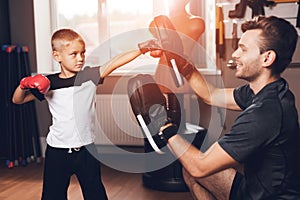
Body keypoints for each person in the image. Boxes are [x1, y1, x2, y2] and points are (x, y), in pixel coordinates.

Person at [142, 15, 300, 199]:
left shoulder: (264, 114)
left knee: (195, 167)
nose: (235, 54)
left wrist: (163, 126)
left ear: (267, 58)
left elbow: (200, 166)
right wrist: (184, 66)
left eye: (243, 49)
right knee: (189, 170)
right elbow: (212, 95)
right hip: (255, 188)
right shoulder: (267, 90)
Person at [12, 28, 144, 200]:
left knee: (96, 194)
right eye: (73, 54)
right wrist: (23, 84)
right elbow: (18, 100)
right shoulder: (48, 82)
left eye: (82, 53)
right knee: (53, 196)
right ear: (57, 56)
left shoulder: (89, 75)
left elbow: (114, 62)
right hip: (57, 152)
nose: (80, 58)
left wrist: (141, 49)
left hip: (86, 151)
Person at [149, 0, 205, 93]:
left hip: (182, 70)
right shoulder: (158, 22)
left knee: (183, 105)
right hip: (162, 72)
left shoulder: (196, 22)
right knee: (161, 105)